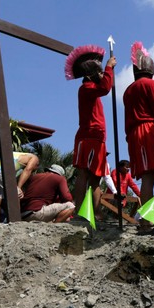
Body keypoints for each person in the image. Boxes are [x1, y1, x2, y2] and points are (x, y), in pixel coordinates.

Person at [123, 42, 154, 226]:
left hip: (134, 133)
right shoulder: (151, 84)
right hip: (146, 132)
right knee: (148, 176)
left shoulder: (128, 89)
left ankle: (149, 217)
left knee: (148, 175)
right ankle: (147, 219)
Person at [66, 44, 115, 217]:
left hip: (97, 136)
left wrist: (108, 71)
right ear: (90, 75)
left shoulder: (91, 90)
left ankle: (97, 212)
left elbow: (104, 86)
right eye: (99, 72)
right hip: (89, 136)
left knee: (96, 178)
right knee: (84, 174)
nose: (102, 75)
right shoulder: (87, 88)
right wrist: (109, 67)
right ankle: (79, 211)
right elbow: (106, 87)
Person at [0, 150, 40, 223]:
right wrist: (19, 187)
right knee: (15, 194)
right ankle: (16, 221)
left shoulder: (17, 158)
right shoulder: (34, 158)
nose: (33, 172)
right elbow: (27, 170)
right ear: (37, 165)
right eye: (34, 170)